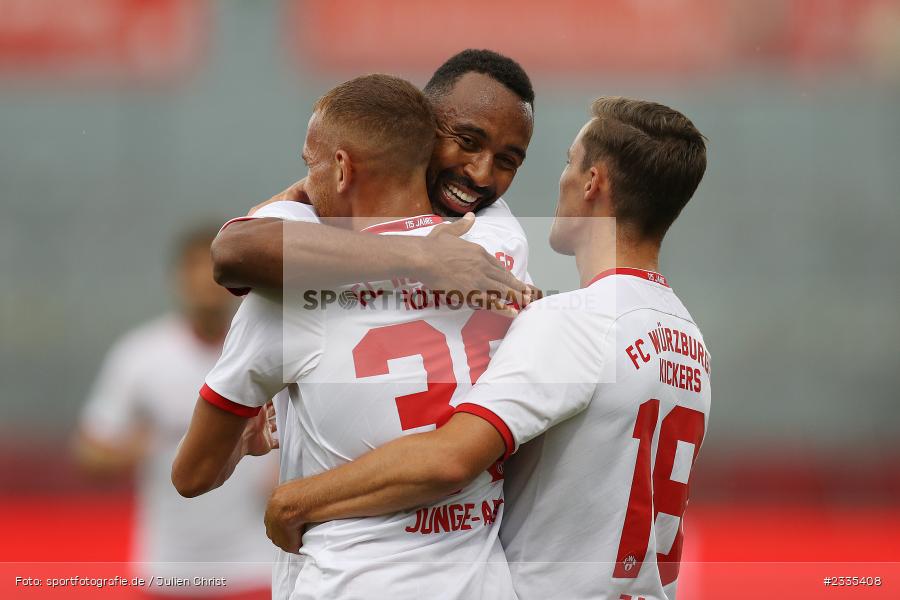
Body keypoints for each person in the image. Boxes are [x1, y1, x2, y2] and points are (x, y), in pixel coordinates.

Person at [263, 97, 711, 600]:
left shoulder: (576, 320)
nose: (560, 180)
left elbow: (450, 460)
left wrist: (294, 501)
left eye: (569, 160)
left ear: (593, 182)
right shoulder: (686, 337)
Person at [172, 74, 531, 600]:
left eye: (309, 164)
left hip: (349, 581)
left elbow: (192, 475)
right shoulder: (501, 247)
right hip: (481, 582)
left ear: (341, 167)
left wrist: (242, 441)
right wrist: (418, 255)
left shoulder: (288, 294)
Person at [209, 49, 535, 300]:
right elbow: (231, 254)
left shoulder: (491, 232)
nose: (481, 175)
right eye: (467, 141)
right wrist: (421, 256)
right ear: (426, 124)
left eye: (507, 161)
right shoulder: (325, 201)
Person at [75, 226, 275, 599]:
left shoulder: (272, 350)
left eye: (216, 270)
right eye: (195, 269)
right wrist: (135, 447)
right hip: (168, 570)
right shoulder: (140, 355)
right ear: (178, 277)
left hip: (255, 567)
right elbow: (91, 453)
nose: (205, 282)